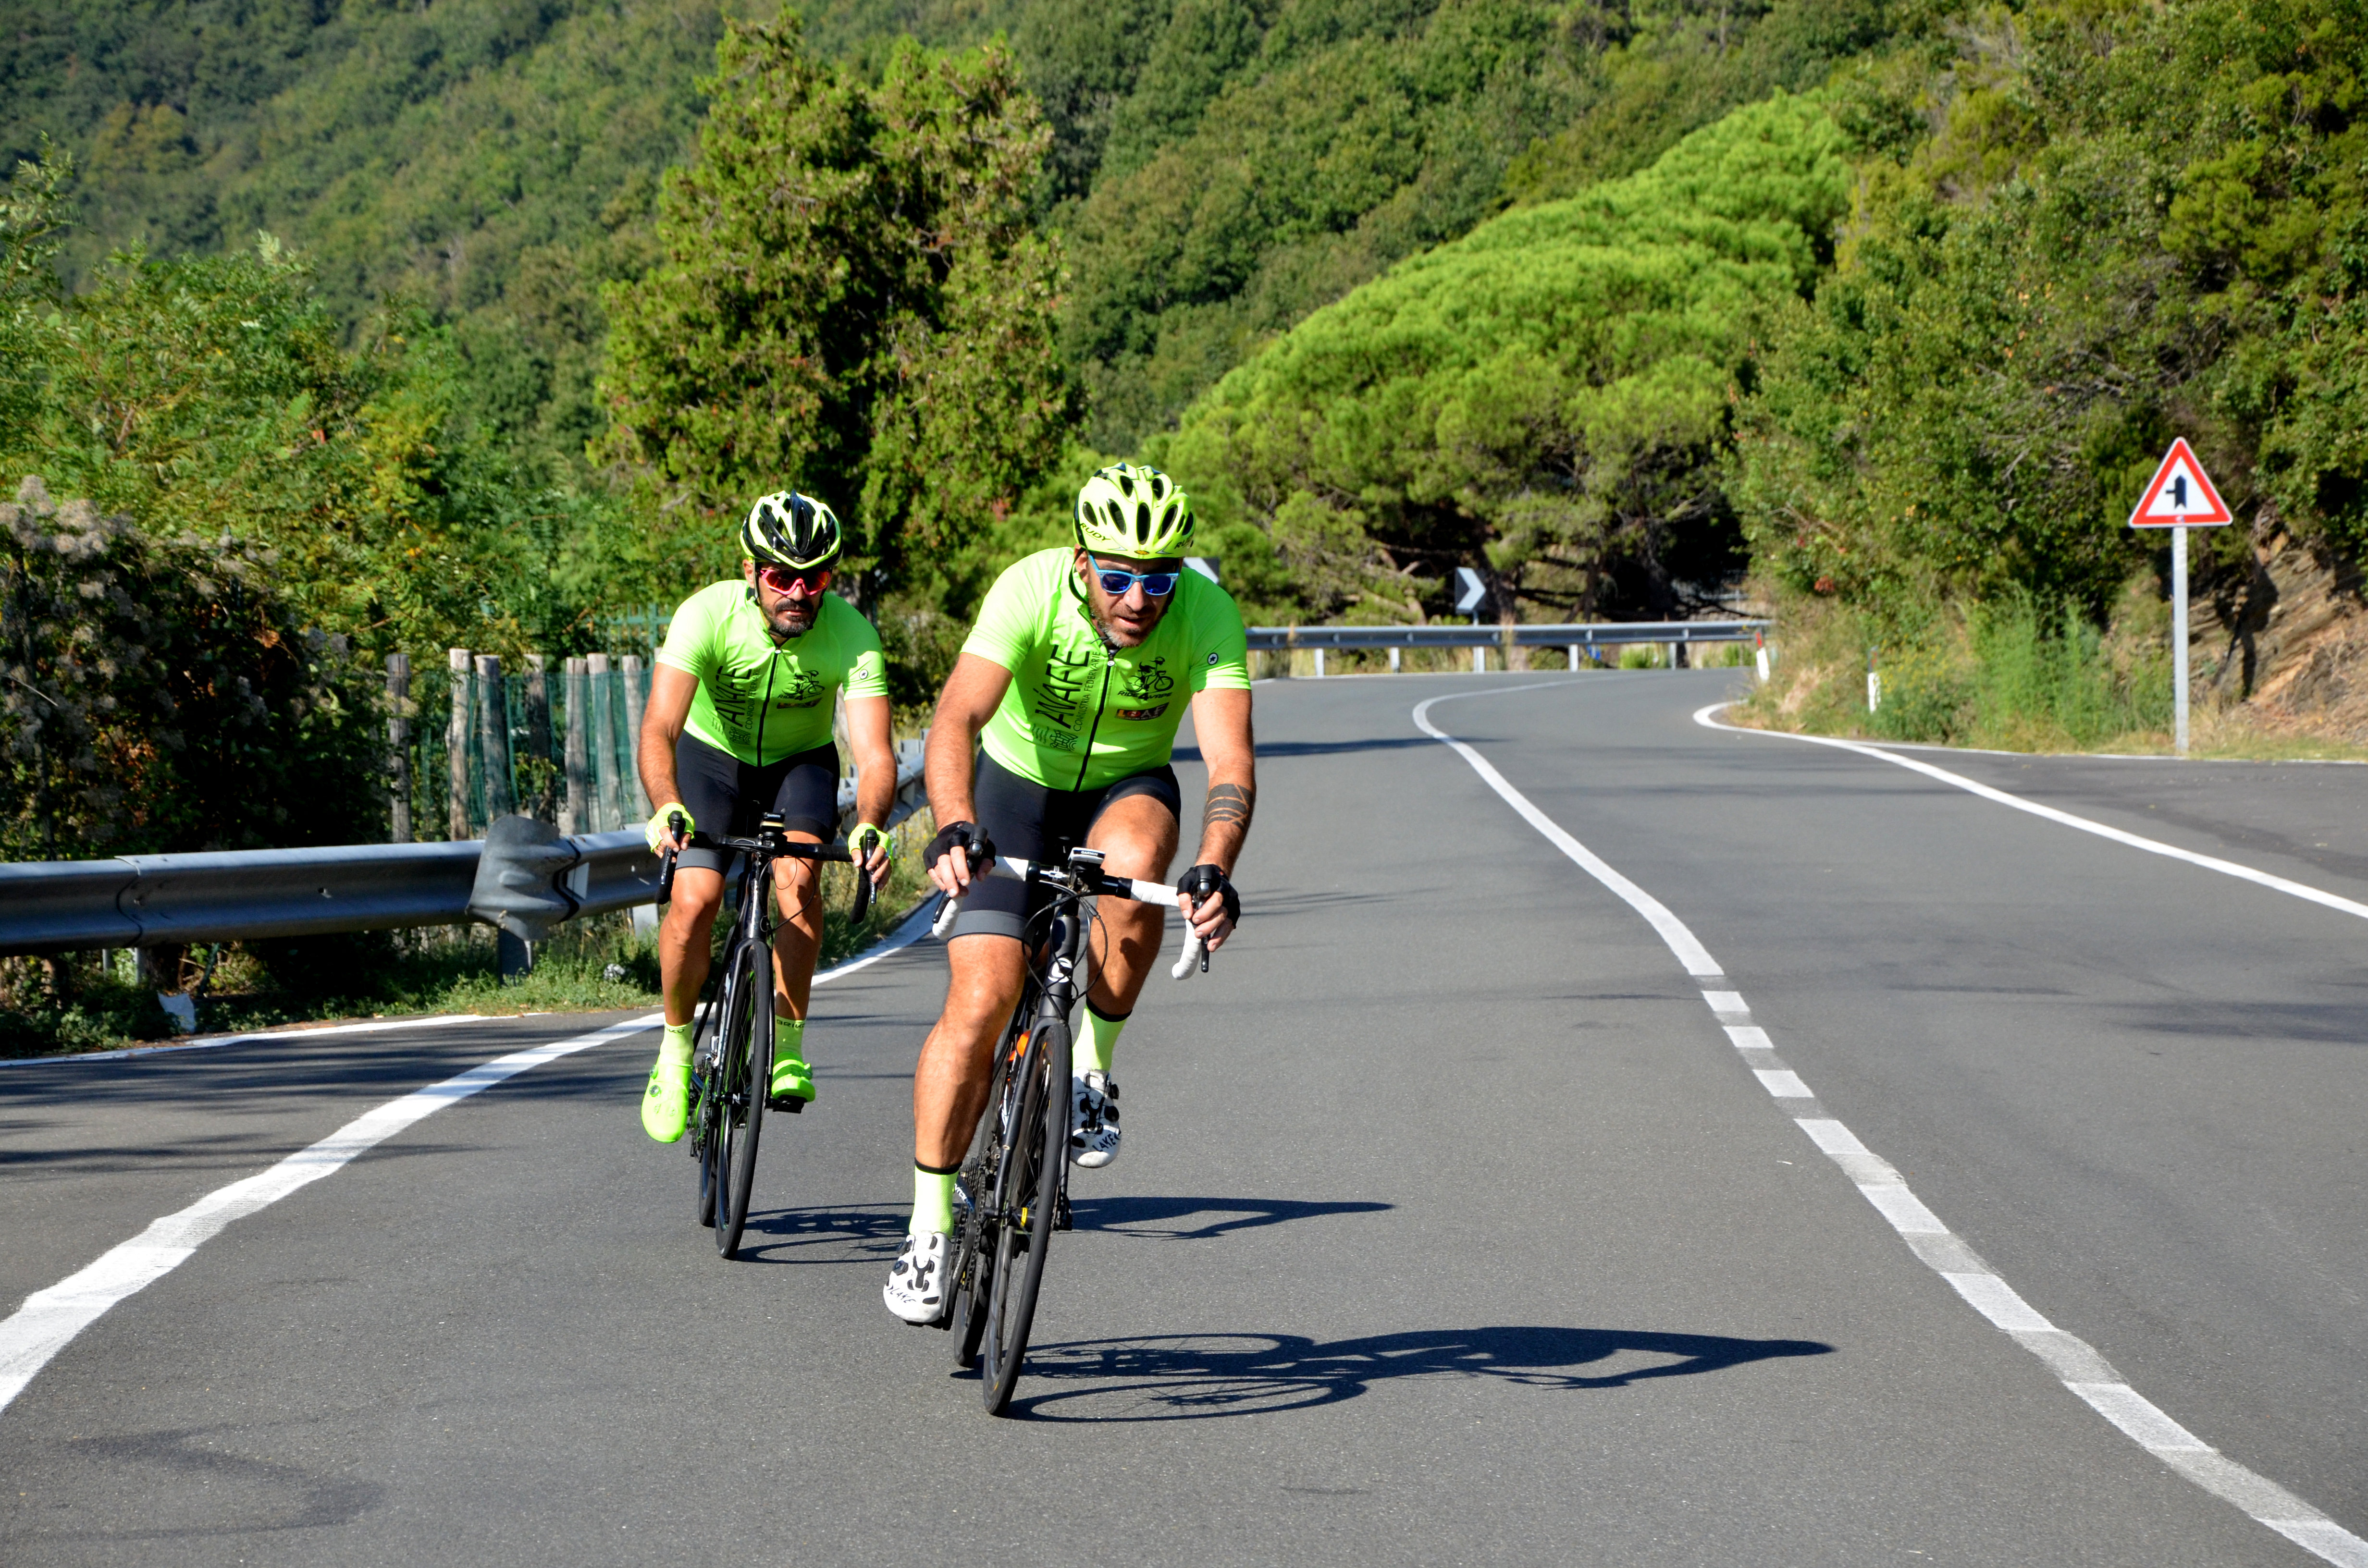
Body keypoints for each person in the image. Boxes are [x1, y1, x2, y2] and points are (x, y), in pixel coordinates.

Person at [883, 462, 1256, 1323]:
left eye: (1158, 579)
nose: (1139, 598)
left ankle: (1094, 1067)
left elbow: (1230, 762)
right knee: (981, 999)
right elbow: (955, 720)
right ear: (1083, 561)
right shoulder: (1028, 589)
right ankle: (930, 1229)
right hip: (1014, 790)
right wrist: (952, 821)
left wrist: (1216, 865)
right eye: (1119, 576)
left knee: (1136, 875)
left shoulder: (1208, 615)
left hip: (1125, 785)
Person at [634, 491, 897, 1142]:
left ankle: (786, 1044)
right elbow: (659, 728)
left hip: (798, 766)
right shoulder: (706, 615)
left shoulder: (853, 635)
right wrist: (667, 802)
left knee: (799, 881)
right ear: (751, 572)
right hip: (711, 763)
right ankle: (674, 1049)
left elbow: (874, 752)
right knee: (695, 898)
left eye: (816, 578)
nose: (799, 593)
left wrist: (869, 821)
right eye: (782, 576)